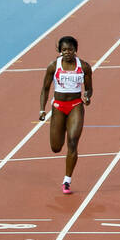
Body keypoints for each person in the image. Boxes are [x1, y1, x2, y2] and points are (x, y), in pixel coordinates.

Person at [38, 36, 93, 194]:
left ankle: (67, 181)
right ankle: (59, 134)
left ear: (75, 50)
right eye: (64, 50)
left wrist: (87, 96)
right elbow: (45, 88)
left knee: (73, 142)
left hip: (75, 105)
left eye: (70, 49)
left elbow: (89, 88)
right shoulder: (53, 66)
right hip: (58, 107)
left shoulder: (84, 66)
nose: (67, 52)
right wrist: (42, 109)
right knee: (56, 147)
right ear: (60, 51)